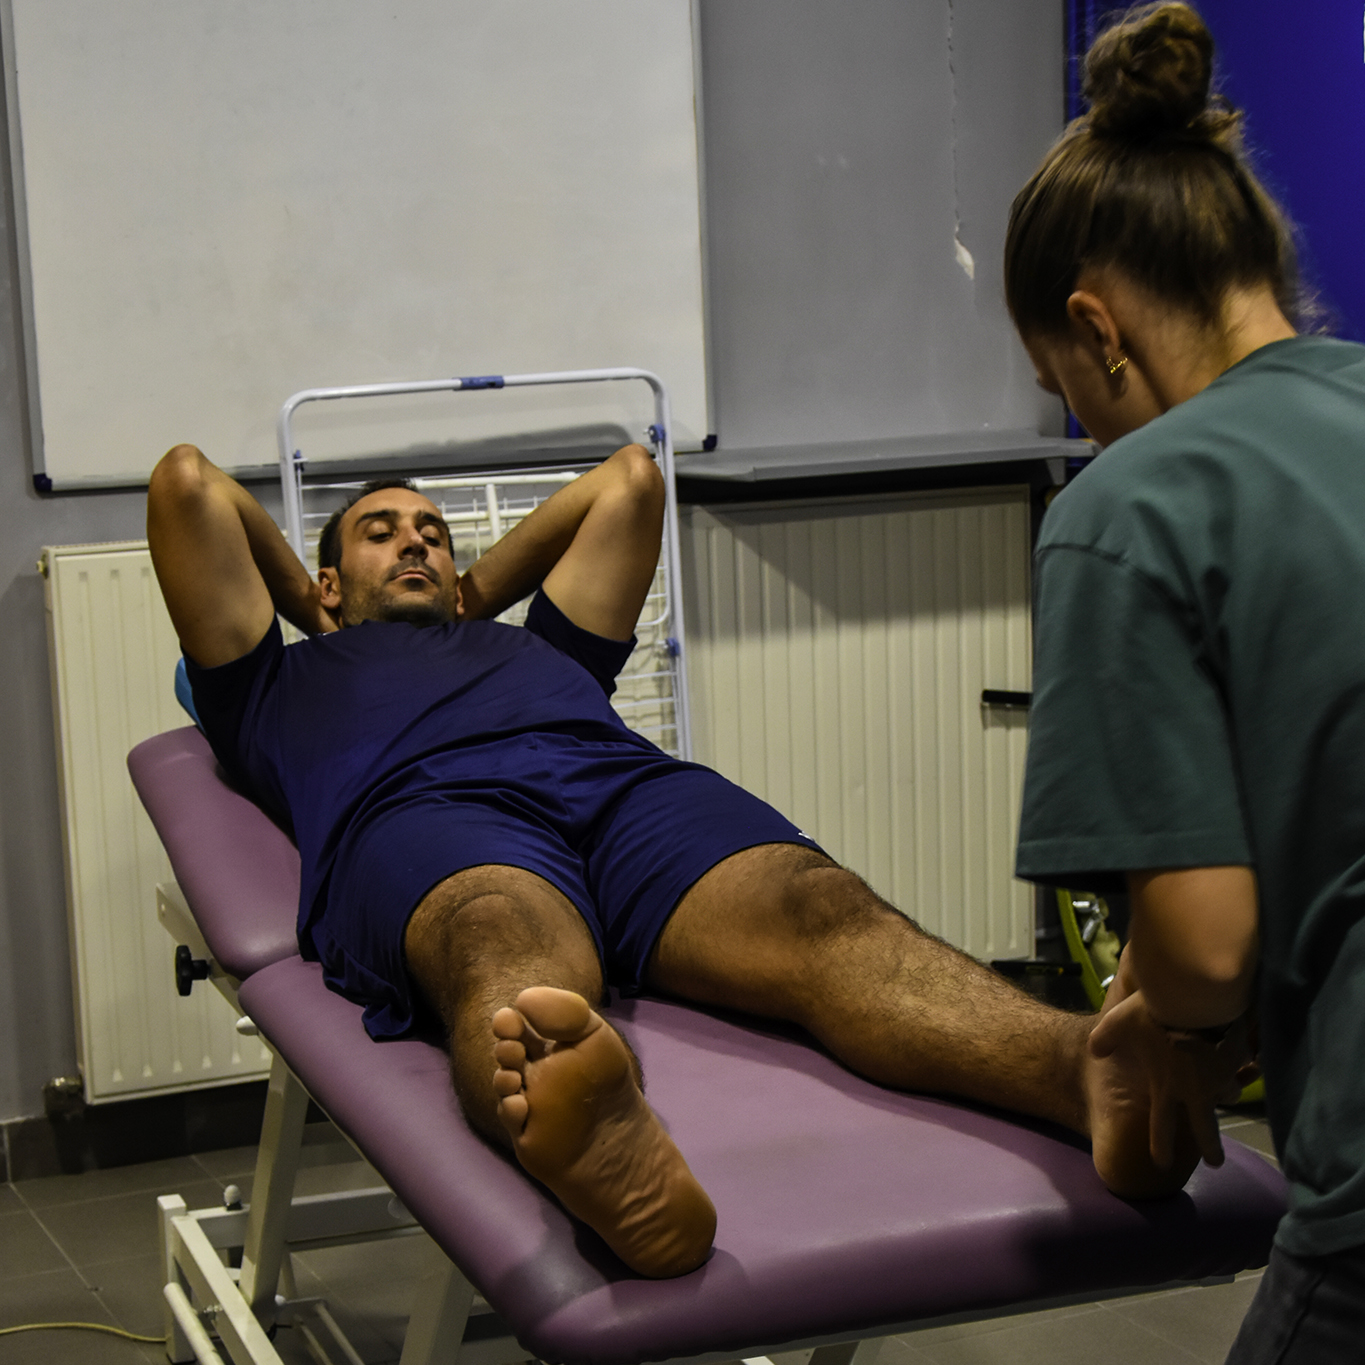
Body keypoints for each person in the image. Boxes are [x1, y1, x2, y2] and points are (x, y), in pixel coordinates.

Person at [146, 438, 1197, 1280]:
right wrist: (313, 605)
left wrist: (471, 589)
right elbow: (188, 482)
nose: (415, 543)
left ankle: (1081, 1072)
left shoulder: (533, 647)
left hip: (619, 789)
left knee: (820, 908)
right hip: (429, 814)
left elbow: (630, 481)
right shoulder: (273, 682)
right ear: (329, 580)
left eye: (433, 533)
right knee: (503, 937)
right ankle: (592, 1134)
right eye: (381, 535)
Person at [1004, 2, 1365, 1358]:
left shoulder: (1132, 501)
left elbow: (1205, 953)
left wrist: (1162, 1017)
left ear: (1097, 328)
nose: (1087, 424)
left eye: (1065, 386)